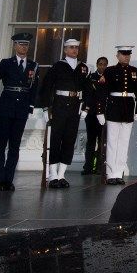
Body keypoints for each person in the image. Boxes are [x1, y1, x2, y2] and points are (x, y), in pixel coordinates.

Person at [37, 38, 91, 188]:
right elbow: (47, 86)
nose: (74, 50)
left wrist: (86, 108)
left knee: (69, 140)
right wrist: (45, 107)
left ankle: (62, 174)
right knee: (56, 139)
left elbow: (88, 90)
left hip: (75, 107)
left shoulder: (83, 68)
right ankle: (52, 174)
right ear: (65, 50)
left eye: (76, 48)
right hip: (59, 105)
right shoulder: (58, 66)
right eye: (71, 47)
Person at [0, 33, 39, 191]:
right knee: (1, 144)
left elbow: (34, 87)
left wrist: (31, 105)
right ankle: (0, 178)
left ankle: (8, 179)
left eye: (26, 45)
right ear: (15, 46)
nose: (24, 47)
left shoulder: (33, 65)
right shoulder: (6, 63)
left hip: (21, 108)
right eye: (21, 44)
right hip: (6, 106)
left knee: (14, 145)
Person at [96, 45, 137, 185]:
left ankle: (119, 172)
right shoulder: (109, 71)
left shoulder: (135, 71)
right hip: (113, 109)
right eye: (123, 54)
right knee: (112, 143)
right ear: (117, 55)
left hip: (128, 109)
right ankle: (110, 173)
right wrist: (100, 111)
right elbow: (102, 92)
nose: (126, 57)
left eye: (128, 54)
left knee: (123, 144)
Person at [82, 56, 108, 175]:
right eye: (100, 64)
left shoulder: (108, 78)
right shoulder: (91, 77)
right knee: (91, 141)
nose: (102, 66)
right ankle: (88, 167)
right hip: (92, 114)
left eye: (104, 64)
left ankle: (98, 167)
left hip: (103, 114)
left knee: (102, 141)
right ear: (97, 65)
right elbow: (88, 95)